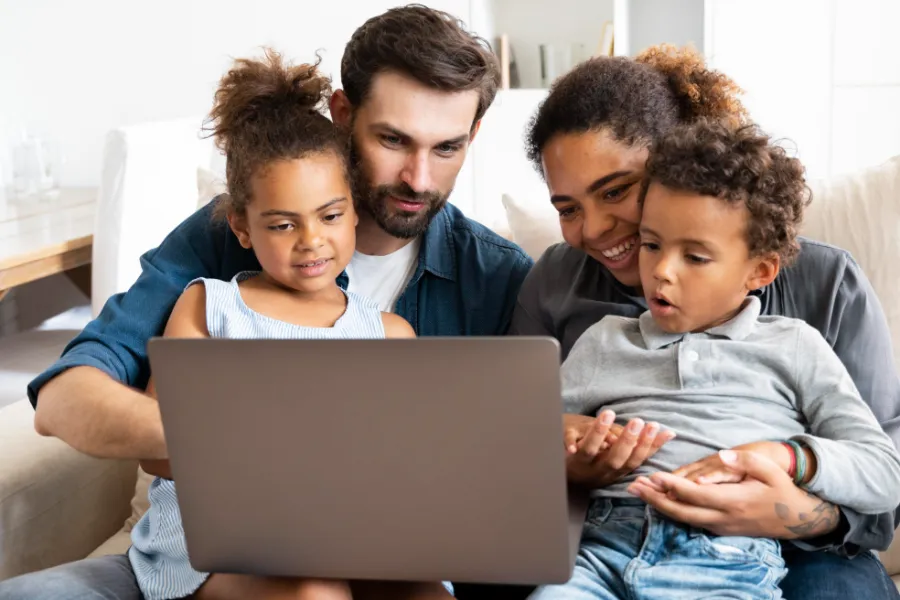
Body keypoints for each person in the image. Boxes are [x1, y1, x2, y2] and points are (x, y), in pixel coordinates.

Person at [0, 5, 531, 599]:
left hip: (382, 556)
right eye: (393, 140)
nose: (419, 179)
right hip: (217, 556)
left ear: (474, 136)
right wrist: (254, 445)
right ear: (342, 113)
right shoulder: (220, 244)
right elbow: (66, 395)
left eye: (448, 148)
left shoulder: (496, 276)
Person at [511, 45, 900, 599]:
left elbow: (880, 485)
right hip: (608, 537)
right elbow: (509, 443)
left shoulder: (812, 307)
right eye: (567, 208)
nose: (593, 229)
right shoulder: (574, 305)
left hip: (765, 549)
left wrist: (791, 506)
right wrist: (560, 453)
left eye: (616, 191)